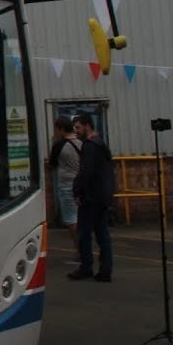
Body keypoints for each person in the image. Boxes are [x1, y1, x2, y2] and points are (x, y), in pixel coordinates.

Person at [69, 113, 115, 282]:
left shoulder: (89, 146)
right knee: (102, 233)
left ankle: (86, 266)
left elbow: (86, 172)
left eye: (78, 127)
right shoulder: (101, 144)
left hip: (91, 196)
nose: (76, 131)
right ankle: (105, 269)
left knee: (84, 233)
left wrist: (77, 191)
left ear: (87, 126)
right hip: (103, 195)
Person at [46, 116, 83, 258]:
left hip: (67, 185)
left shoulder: (59, 145)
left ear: (61, 129)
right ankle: (83, 249)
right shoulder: (80, 143)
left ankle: (80, 251)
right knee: (80, 218)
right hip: (81, 185)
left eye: (56, 129)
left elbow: (51, 165)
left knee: (71, 220)